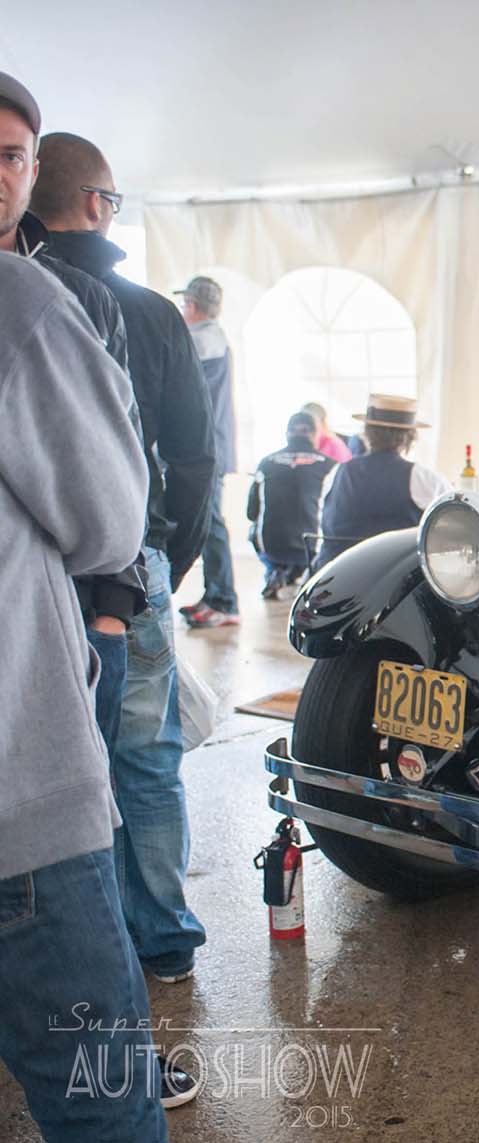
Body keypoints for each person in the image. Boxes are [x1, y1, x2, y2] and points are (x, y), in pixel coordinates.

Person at [30, 130, 214, 986]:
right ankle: (163, 936)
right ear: (97, 204)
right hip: (131, 560)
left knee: (56, 766)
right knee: (145, 753)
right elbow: (194, 455)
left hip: (35, 567)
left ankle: (77, 947)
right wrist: (169, 560)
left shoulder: (19, 289)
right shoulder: (149, 311)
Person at [0, 250, 170, 1140]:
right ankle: (170, 932)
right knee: (103, 1107)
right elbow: (109, 520)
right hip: (18, 800)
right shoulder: (19, 300)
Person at [0, 73, 148, 766]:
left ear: (33, 173)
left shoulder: (72, 297)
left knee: (112, 784)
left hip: (74, 615)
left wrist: (113, 608)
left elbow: (120, 474)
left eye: (11, 156)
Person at [317, 394, 449, 567]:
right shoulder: (424, 478)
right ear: (408, 437)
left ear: (367, 433)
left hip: (335, 572)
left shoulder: (338, 472)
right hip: (391, 576)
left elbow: (322, 520)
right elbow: (452, 521)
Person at [175, 275, 239, 628]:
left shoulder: (202, 341)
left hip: (206, 449)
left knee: (211, 522)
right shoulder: (214, 338)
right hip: (213, 446)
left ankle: (224, 601)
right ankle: (215, 595)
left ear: (192, 305)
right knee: (209, 521)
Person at [249, 412, 336, 598]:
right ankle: (305, 576)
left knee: (255, 530)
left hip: (271, 547)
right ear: (315, 434)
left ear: (287, 433)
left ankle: (276, 570)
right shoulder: (330, 466)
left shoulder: (265, 463)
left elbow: (251, 512)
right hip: (311, 548)